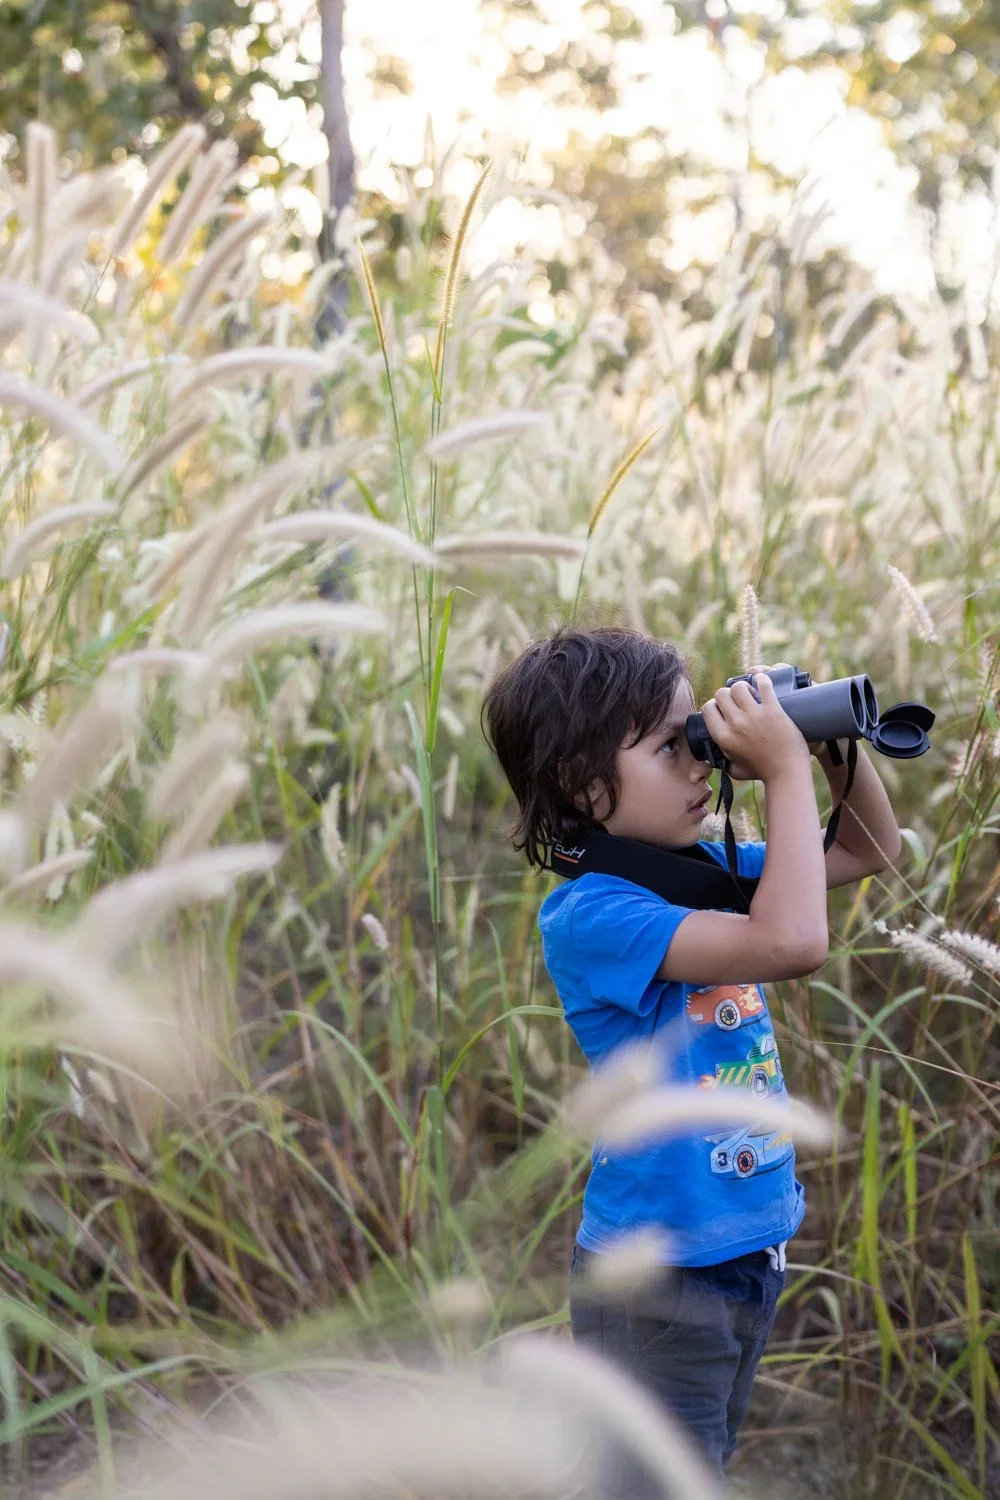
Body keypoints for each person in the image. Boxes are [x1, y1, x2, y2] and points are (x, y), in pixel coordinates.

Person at [481, 625, 902, 1490]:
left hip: (746, 1250)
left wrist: (826, 752)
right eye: (671, 748)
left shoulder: (699, 867)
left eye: (697, 738)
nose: (703, 764)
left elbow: (867, 851)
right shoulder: (594, 916)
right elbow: (790, 941)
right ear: (579, 782)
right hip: (660, 1283)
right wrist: (781, 773)